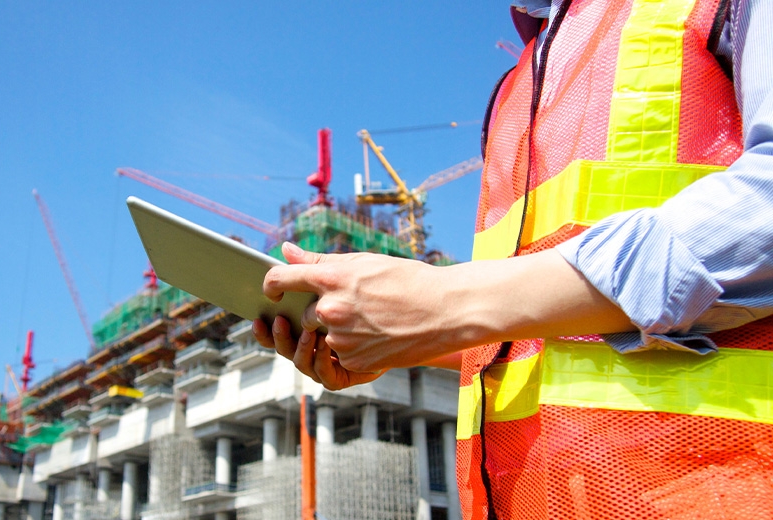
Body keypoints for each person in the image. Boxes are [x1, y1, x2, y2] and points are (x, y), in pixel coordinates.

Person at [253, 0, 773, 518]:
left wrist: (446, 303)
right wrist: (402, 337)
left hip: (717, 486)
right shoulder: (517, 89)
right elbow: (539, 331)